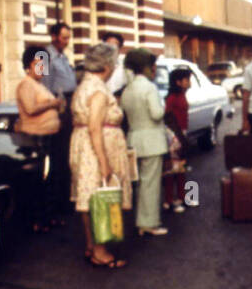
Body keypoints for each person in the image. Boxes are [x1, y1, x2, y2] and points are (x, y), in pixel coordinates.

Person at [69, 42, 134, 268]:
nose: (115, 68)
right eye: (114, 63)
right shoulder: (97, 90)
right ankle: (100, 251)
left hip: (84, 145)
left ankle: (91, 245)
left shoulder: (84, 85)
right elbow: (95, 127)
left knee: (89, 198)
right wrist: (104, 162)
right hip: (96, 148)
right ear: (106, 65)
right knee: (101, 197)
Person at [15, 44, 65, 233]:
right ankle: (37, 220)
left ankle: (48, 216)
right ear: (28, 65)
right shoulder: (26, 84)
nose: (42, 68)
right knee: (38, 180)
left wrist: (57, 106)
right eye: (38, 63)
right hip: (35, 138)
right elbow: (30, 109)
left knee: (49, 178)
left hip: (48, 137)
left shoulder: (40, 85)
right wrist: (52, 103)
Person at [120, 47, 169, 236]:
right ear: (146, 67)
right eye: (152, 66)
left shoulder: (128, 89)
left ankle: (142, 221)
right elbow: (157, 114)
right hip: (152, 141)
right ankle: (148, 223)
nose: (154, 69)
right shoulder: (150, 87)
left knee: (140, 184)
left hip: (134, 139)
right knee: (151, 184)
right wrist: (164, 106)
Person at [43, 22, 77, 223]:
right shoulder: (42, 56)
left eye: (68, 38)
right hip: (57, 110)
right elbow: (41, 86)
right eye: (64, 37)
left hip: (68, 109)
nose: (67, 41)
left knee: (66, 158)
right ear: (54, 36)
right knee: (58, 158)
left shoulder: (63, 56)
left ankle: (65, 201)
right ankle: (56, 205)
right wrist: (54, 111)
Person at [162, 66, 192, 214]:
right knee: (173, 169)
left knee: (181, 168)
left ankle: (181, 197)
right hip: (174, 135)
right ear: (178, 82)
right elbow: (167, 118)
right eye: (187, 79)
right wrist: (175, 137)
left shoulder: (182, 95)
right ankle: (170, 200)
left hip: (181, 133)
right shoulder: (172, 98)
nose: (189, 82)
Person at [103, 32, 130, 97]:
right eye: (107, 46)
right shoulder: (97, 67)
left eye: (114, 46)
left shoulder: (125, 67)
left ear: (120, 49)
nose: (110, 49)